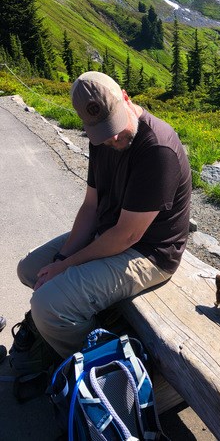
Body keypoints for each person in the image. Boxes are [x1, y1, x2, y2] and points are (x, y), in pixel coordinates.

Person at [17, 71, 192, 358]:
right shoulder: (101, 139)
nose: (112, 137)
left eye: (114, 125)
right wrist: (61, 259)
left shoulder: (156, 149)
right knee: (29, 269)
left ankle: (99, 363)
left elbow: (128, 235)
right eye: (101, 132)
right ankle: (79, 332)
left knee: (49, 306)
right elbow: (90, 206)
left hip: (148, 253)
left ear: (125, 96)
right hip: (110, 233)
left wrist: (66, 265)